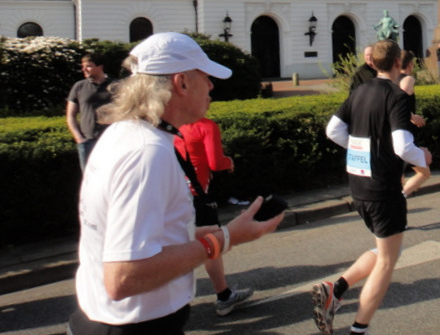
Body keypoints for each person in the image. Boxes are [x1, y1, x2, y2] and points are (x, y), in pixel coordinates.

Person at [69, 32, 283, 335]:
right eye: (205, 77)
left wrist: (189, 235)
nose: (211, 86)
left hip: (111, 319)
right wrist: (222, 239)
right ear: (181, 83)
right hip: (135, 327)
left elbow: (118, 235)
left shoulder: (125, 134)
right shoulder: (147, 153)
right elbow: (123, 278)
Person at [314, 39, 432, 335]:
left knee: (382, 249)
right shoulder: (396, 95)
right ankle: (358, 329)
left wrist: (362, 150)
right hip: (383, 187)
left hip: (359, 185)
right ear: (396, 64)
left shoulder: (360, 91)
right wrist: (423, 157)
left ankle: (335, 288)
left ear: (373, 63)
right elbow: (403, 146)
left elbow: (333, 130)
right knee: (388, 261)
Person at [175, 118, 251, 316]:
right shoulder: (206, 126)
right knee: (212, 243)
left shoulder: (172, 124)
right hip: (197, 194)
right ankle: (224, 296)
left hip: (174, 193)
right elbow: (216, 163)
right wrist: (229, 162)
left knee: (178, 242)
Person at [66, 53, 116, 171]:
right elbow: (70, 116)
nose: (84, 69)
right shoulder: (79, 86)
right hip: (87, 141)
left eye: (88, 66)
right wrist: (79, 138)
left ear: (100, 67)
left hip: (111, 141)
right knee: (89, 180)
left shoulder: (115, 86)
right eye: (83, 66)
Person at [398, 50, 430, 197]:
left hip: (394, 131)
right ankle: (402, 196)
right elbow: (399, 99)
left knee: (399, 171)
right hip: (405, 132)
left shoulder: (390, 79)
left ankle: (397, 196)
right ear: (410, 64)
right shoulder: (408, 79)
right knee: (424, 172)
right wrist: (412, 116)